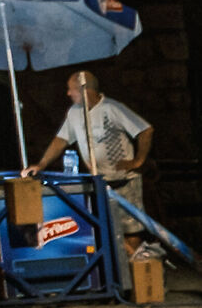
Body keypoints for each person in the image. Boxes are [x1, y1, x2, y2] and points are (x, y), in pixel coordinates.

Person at [23, 70, 152, 257]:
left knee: (130, 230)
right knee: (105, 228)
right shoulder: (75, 112)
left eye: (71, 90)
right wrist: (42, 164)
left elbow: (146, 130)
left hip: (124, 181)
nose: (68, 94)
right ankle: (128, 271)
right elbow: (61, 140)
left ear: (85, 90)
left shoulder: (112, 108)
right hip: (100, 182)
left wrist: (138, 160)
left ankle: (139, 274)